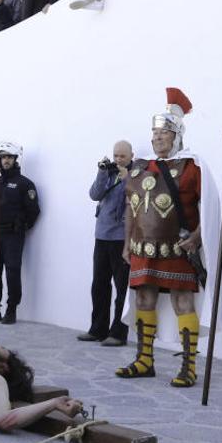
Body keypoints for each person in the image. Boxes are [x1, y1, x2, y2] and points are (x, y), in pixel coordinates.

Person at [116, 88, 210, 390]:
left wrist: (197, 237)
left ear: (177, 135)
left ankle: (188, 366)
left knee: (184, 301)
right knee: (144, 298)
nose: (157, 138)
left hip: (179, 247)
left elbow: (210, 210)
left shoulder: (194, 167)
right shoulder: (141, 167)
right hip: (144, 247)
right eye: (154, 132)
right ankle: (145, 360)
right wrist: (127, 242)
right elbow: (131, 207)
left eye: (164, 133)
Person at [77, 141, 132, 346]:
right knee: (99, 285)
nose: (118, 160)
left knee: (121, 288)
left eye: (123, 156)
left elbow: (137, 196)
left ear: (131, 156)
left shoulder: (135, 175)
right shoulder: (108, 173)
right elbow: (94, 195)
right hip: (102, 236)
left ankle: (117, 333)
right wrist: (101, 172)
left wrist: (127, 178)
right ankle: (97, 329)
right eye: (116, 156)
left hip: (121, 238)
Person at [0, 143, 39, 324]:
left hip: (13, 235)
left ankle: (11, 309)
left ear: (15, 160)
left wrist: (21, 226)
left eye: (9, 157)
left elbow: (34, 210)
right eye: (3, 157)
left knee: (12, 272)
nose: (6, 160)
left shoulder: (25, 184)